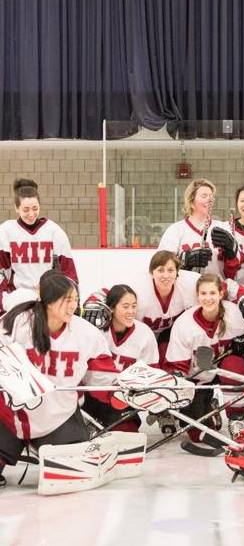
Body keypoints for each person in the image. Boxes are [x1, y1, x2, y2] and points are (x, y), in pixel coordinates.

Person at [0, 270, 117, 489]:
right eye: (67, 300)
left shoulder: (87, 334)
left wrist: (119, 392)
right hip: (12, 413)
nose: (73, 305)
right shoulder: (17, 322)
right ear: (49, 301)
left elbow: (103, 377)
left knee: (71, 474)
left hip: (58, 415)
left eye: (75, 299)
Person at [165, 273, 244, 455]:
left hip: (222, 370)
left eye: (212, 293)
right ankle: (209, 404)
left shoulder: (234, 314)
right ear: (197, 296)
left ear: (221, 294)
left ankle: (236, 419)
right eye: (203, 294)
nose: (208, 298)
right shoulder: (185, 325)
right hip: (197, 380)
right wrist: (180, 384)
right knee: (197, 434)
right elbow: (177, 367)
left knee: (235, 365)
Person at [82, 284, 160, 433]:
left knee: (126, 434)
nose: (131, 311)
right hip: (91, 396)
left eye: (134, 306)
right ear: (111, 308)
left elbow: (151, 373)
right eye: (125, 306)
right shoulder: (97, 331)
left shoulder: (144, 333)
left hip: (123, 400)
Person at [0, 179, 78, 314]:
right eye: (26, 209)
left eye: (35, 208)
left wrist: (71, 302)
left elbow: (68, 271)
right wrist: (4, 303)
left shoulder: (54, 231)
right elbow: (2, 273)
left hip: (48, 301)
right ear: (16, 208)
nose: (31, 214)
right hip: (17, 302)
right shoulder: (6, 231)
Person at [157, 178, 240, 279]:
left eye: (211, 196)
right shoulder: (175, 230)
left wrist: (231, 255)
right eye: (204, 196)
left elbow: (233, 274)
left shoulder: (223, 228)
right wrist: (183, 262)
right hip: (186, 291)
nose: (210, 199)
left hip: (216, 292)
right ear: (191, 202)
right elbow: (160, 266)